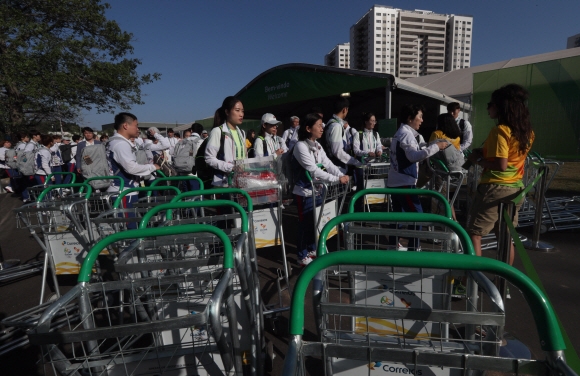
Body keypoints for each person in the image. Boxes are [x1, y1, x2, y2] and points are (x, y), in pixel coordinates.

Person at [465, 84, 535, 265]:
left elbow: (501, 165)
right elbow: (512, 158)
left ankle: (470, 283)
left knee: (474, 234)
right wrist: (486, 152)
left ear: (501, 106)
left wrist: (476, 160)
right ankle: (503, 283)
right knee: (505, 237)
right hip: (516, 189)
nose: (488, 108)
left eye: (491, 104)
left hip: (494, 188)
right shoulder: (527, 133)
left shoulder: (500, 130)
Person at [387, 105, 448, 251]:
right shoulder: (406, 134)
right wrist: (436, 147)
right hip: (403, 182)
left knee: (398, 216)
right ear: (410, 118)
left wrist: (432, 145)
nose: (422, 120)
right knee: (417, 215)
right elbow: (413, 156)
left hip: (397, 181)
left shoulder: (402, 132)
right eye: (419, 116)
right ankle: (414, 248)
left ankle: (393, 245)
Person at [293, 113, 349, 266]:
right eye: (319, 125)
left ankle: (311, 249)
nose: (322, 127)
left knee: (315, 222)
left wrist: (341, 174)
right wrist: (336, 179)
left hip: (318, 190)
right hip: (304, 192)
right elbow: (313, 170)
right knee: (304, 224)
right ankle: (301, 254)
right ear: (308, 128)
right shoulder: (300, 146)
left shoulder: (317, 145)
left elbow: (328, 164)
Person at [107, 112, 160, 227]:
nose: (138, 129)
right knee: (129, 228)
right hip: (123, 191)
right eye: (136, 125)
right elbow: (131, 167)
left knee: (129, 225)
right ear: (126, 126)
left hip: (123, 190)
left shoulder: (114, 141)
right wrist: (152, 167)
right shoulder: (120, 144)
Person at [205, 96, 246, 187]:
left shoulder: (242, 133)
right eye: (237, 110)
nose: (241, 114)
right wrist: (231, 167)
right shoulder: (218, 131)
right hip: (224, 183)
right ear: (227, 112)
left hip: (241, 182)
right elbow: (209, 158)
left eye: (242, 111)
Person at [324, 97, 362, 171]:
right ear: (345, 110)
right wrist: (355, 162)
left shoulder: (330, 123)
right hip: (337, 168)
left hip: (333, 166)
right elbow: (337, 151)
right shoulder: (336, 126)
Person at [21, 130, 42, 202]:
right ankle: (32, 199)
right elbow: (26, 155)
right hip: (31, 167)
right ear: (34, 136)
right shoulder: (31, 145)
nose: (40, 137)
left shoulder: (36, 144)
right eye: (38, 135)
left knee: (34, 184)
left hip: (35, 167)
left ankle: (34, 198)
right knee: (32, 184)